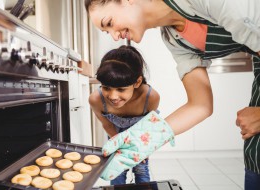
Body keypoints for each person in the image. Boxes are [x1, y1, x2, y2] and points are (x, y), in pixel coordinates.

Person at [84, 0, 260, 189]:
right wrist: (145, 139)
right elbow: (200, 105)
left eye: (109, 23)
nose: (114, 36)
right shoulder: (174, 38)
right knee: (255, 153)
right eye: (106, 32)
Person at [89, 45, 160, 185]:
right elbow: (107, 124)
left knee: (141, 169)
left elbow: (149, 125)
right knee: (116, 170)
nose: (113, 96)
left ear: (137, 82)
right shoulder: (96, 99)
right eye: (106, 87)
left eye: (121, 89)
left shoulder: (150, 97)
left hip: (141, 136)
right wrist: (119, 145)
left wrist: (141, 149)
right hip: (115, 134)